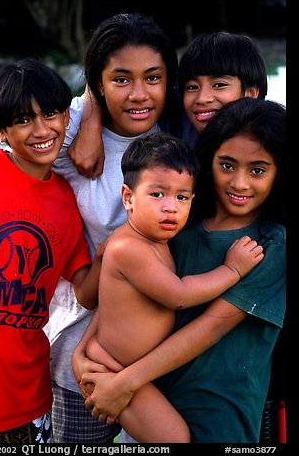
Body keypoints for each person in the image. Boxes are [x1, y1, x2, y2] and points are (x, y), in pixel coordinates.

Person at [77, 98, 286, 443]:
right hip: (149, 392)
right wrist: (82, 354)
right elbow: (119, 298)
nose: (240, 183)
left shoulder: (269, 244)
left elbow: (209, 328)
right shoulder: (177, 228)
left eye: (258, 170)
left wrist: (123, 381)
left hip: (216, 409)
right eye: (227, 165)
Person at [43, 12, 187, 443]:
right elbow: (18, 144)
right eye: (121, 79)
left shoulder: (184, 136)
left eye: (154, 78)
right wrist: (88, 116)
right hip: (86, 356)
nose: (139, 94)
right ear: (99, 83)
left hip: (166, 355)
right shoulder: (66, 131)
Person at [0, 58, 104, 444]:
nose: (41, 129)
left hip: (26, 399)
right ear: (0, 131)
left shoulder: (67, 203)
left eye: (50, 113)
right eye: (23, 120)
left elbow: (85, 291)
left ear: (67, 117)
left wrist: (118, 248)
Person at [70, 30, 267, 178]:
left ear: (250, 94)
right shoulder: (176, 121)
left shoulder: (273, 140)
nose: (202, 98)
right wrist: (90, 123)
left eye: (219, 85)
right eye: (191, 87)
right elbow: (105, 76)